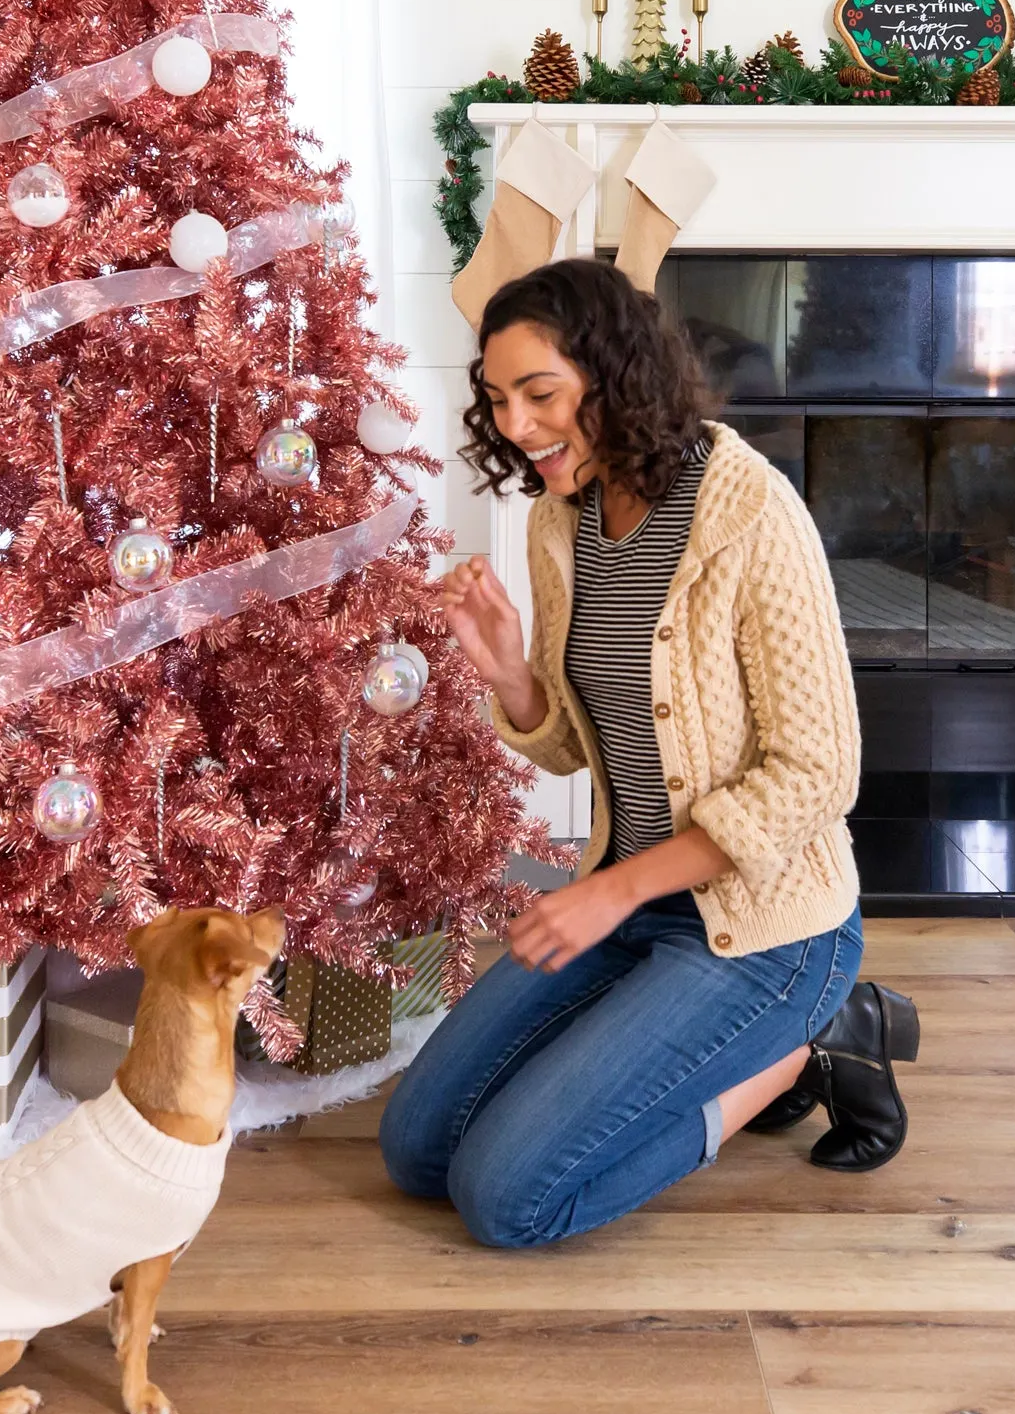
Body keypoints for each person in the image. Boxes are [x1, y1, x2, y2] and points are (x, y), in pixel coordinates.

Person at [380, 259, 917, 1249]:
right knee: (415, 1150)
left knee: (505, 1199)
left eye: (539, 394)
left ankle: (804, 1050)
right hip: (624, 903)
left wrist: (614, 892)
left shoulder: (748, 513)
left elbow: (816, 771)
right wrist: (507, 675)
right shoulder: (559, 519)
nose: (516, 425)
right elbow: (571, 745)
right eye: (498, 399)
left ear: (615, 374)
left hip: (763, 932)